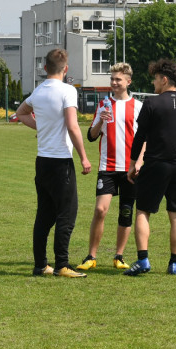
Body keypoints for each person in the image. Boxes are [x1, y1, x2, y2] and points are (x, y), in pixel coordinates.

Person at [16, 49, 92, 278]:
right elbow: (72, 125)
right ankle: (62, 265)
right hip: (61, 162)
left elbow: (20, 113)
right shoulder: (67, 91)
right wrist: (84, 157)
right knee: (66, 214)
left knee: (44, 215)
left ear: (45, 68)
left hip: (43, 162)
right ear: (66, 69)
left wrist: (42, 127)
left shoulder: (38, 91)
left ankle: (41, 265)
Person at [125, 59, 176, 276]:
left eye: (155, 78)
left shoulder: (151, 103)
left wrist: (132, 164)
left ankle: (143, 260)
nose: (153, 82)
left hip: (156, 165)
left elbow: (140, 137)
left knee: (142, 211)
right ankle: (174, 263)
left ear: (164, 79)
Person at [75, 63, 143, 273]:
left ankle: (119, 256)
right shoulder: (104, 104)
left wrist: (139, 162)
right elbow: (92, 136)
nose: (114, 83)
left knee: (126, 211)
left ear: (128, 82)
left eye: (118, 80)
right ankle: (91, 256)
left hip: (130, 169)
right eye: (112, 79)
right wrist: (99, 122)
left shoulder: (138, 106)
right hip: (108, 167)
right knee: (100, 210)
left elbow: (144, 139)